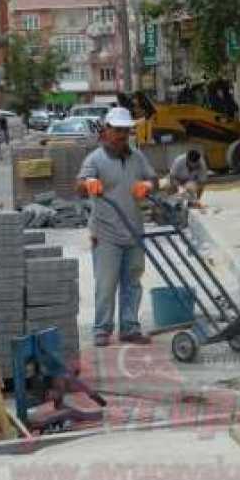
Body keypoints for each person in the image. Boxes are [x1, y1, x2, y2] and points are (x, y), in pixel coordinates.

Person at [77, 106, 158, 347]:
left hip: (133, 229)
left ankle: (130, 327)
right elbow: (78, 185)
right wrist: (89, 184)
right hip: (105, 232)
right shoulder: (95, 159)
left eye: (126, 130)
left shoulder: (137, 157)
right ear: (106, 130)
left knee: (133, 281)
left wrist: (148, 186)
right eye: (117, 130)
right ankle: (102, 329)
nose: (122, 135)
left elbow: (152, 178)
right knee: (106, 282)